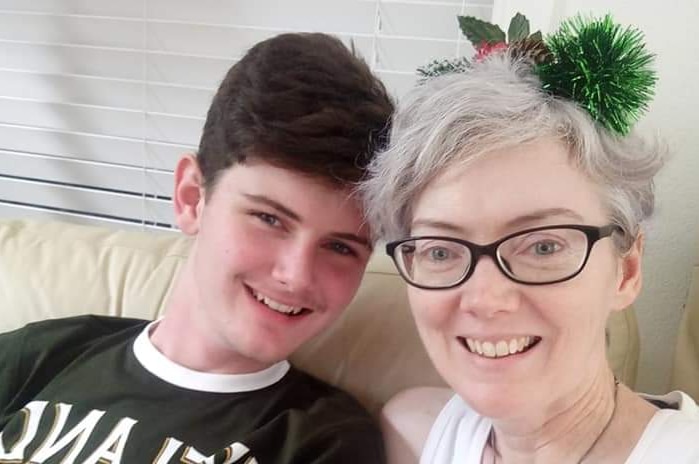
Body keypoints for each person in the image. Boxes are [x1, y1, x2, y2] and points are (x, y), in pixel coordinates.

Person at [0, 33, 393, 463]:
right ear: (192, 198)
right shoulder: (43, 354)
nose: (296, 275)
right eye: (269, 219)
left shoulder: (323, 440)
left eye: (339, 247)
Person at [360, 17, 699, 464]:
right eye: (440, 250)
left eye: (543, 246)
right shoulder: (411, 433)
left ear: (627, 270)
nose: (485, 299)